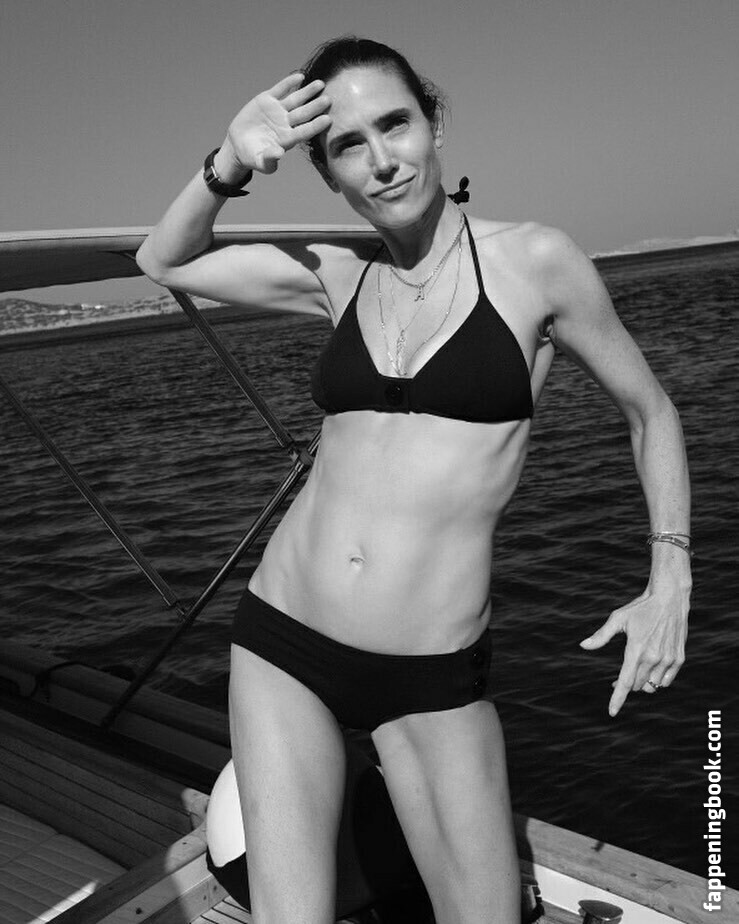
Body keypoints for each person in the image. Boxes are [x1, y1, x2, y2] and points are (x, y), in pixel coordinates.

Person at [136, 36, 691, 924]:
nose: (382, 159)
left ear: (432, 126)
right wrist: (230, 159)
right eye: (348, 145)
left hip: (431, 673)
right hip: (284, 645)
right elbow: (163, 261)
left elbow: (649, 411)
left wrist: (669, 577)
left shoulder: (535, 262)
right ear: (329, 173)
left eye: (394, 125)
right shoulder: (336, 273)